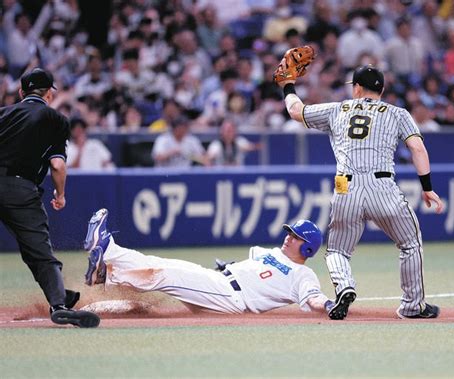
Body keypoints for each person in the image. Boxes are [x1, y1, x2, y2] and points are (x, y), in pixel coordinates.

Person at [277, 63, 444, 320]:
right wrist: (427, 188)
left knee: (337, 251)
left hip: (346, 187)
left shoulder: (337, 109)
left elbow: (296, 111)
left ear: (356, 88)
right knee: (410, 244)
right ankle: (413, 306)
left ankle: (344, 287)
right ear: (382, 89)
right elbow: (417, 149)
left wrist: (287, 85)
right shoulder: (398, 113)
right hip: (383, 186)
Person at [83, 208, 335, 316]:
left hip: (231, 298)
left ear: (308, 247)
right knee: (162, 263)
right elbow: (255, 269)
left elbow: (313, 298)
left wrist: (330, 305)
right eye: (289, 232)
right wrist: (230, 265)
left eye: (295, 236)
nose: (288, 237)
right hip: (219, 281)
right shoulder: (271, 252)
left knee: (165, 274)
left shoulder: (303, 275)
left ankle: (106, 273)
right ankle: (108, 254)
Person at [0, 68, 100, 327]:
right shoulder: (54, 118)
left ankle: (58, 293)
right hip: (19, 189)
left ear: (22, 92)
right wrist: (61, 194)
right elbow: (57, 165)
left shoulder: (4, 113)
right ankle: (59, 304)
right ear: (48, 94)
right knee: (39, 250)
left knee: (33, 251)